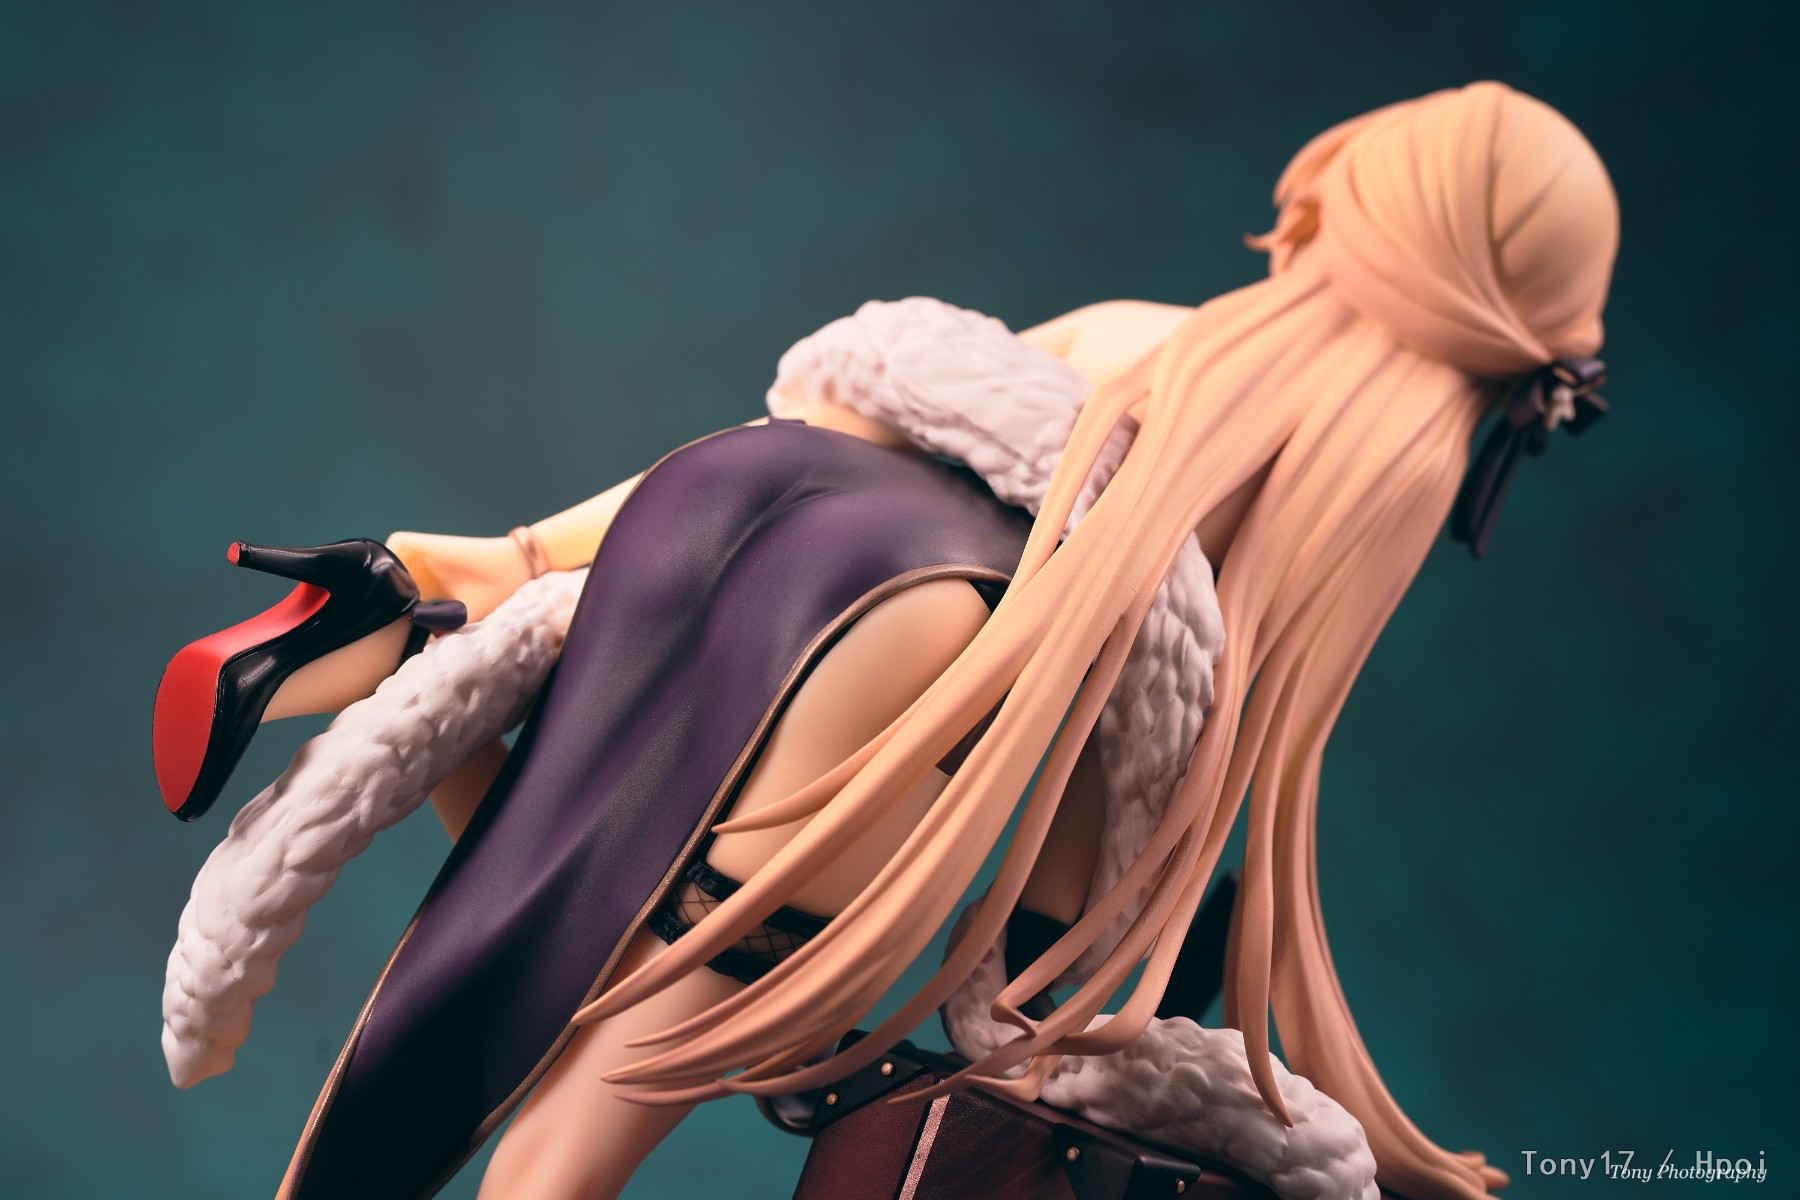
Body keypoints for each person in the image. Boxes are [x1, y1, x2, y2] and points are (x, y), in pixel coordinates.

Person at [154, 81, 1617, 1200]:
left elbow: (869, 428)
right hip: (919, 618)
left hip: (765, 494)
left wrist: (548, 552)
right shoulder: (1348, 491)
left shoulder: (1148, 328)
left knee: (567, 872)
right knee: (586, 1123)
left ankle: (412, 597)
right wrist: (1033, 987)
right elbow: (1162, 716)